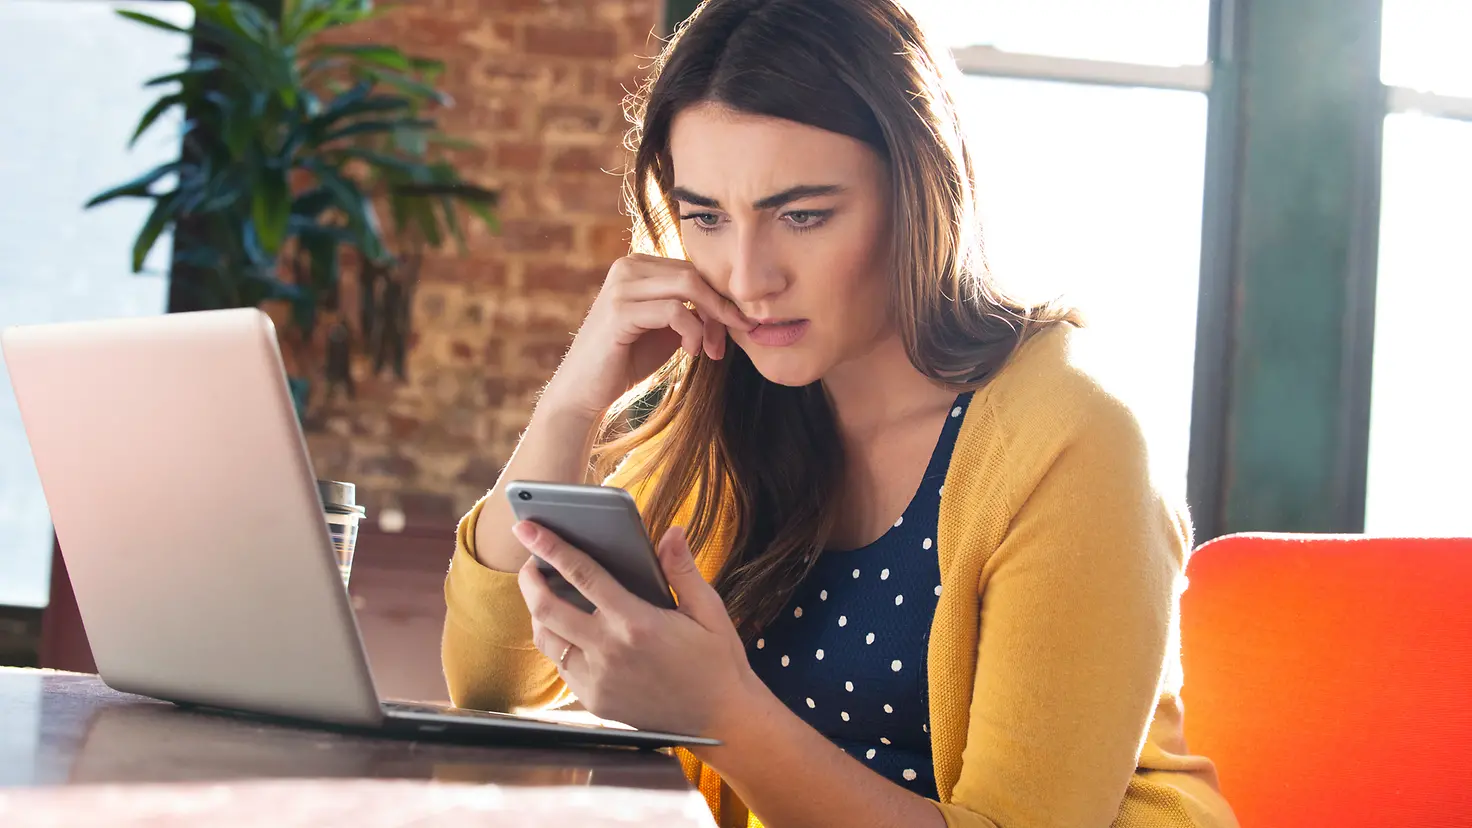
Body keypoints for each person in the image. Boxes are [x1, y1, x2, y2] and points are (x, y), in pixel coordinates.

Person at [442, 1, 1237, 825]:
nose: (748, 277)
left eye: (803, 216)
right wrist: (573, 400)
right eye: (705, 217)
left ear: (919, 193)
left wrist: (722, 715)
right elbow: (493, 686)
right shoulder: (743, 399)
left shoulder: (1073, 438)